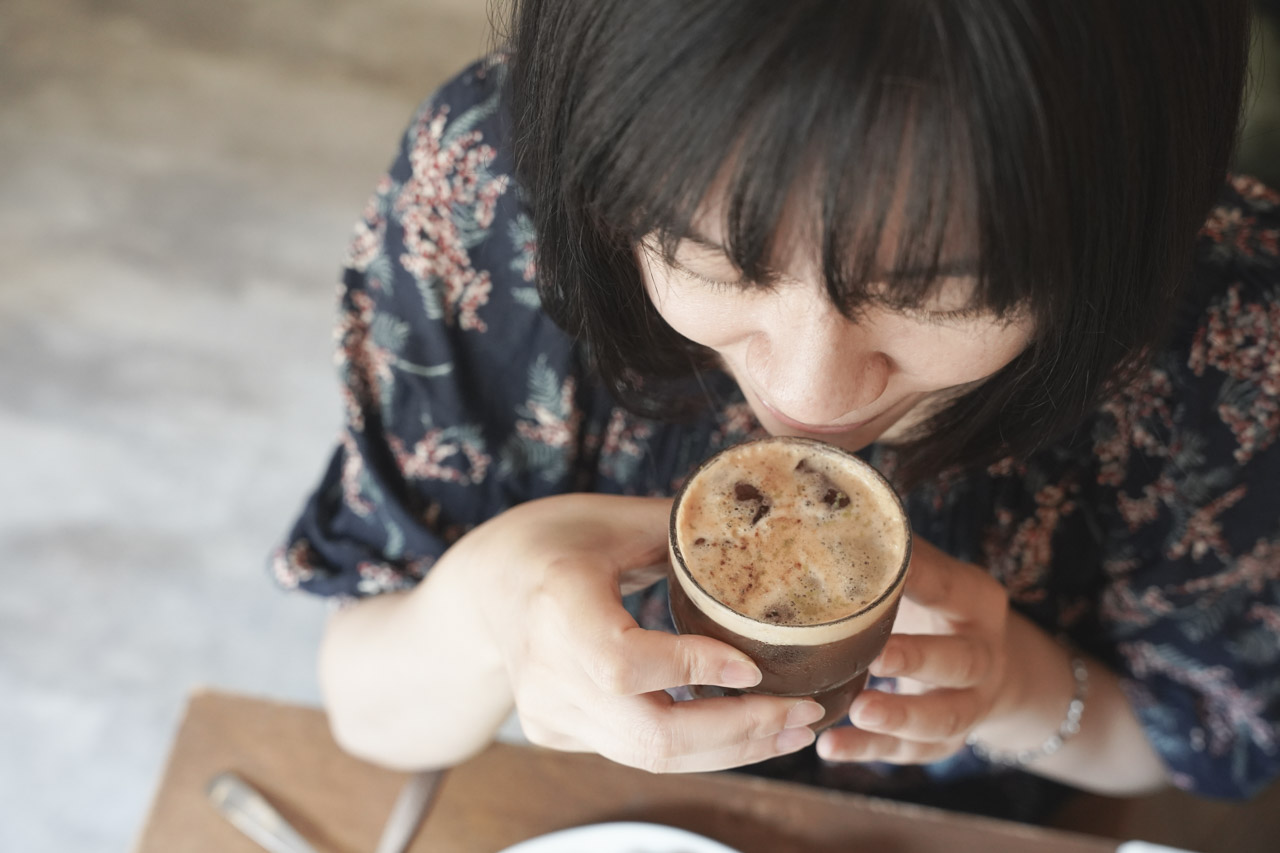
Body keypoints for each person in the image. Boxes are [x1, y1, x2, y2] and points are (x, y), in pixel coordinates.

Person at [272, 0, 1279, 823]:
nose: (806, 395)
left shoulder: (1228, 333)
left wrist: (1012, 681)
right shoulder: (491, 200)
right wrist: (493, 595)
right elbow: (369, 710)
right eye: (709, 255)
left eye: (940, 293)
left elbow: (1193, 742)